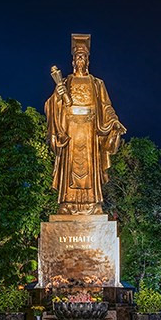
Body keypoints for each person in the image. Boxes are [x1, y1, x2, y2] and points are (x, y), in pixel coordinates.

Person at [45, 34, 126, 215]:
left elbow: (106, 107)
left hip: (90, 131)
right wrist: (58, 97)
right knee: (70, 168)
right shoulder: (65, 82)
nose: (80, 59)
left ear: (87, 60)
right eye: (77, 57)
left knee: (90, 169)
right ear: (73, 61)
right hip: (71, 131)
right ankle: (67, 203)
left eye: (83, 56)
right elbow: (50, 106)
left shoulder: (97, 84)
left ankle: (93, 204)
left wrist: (114, 121)